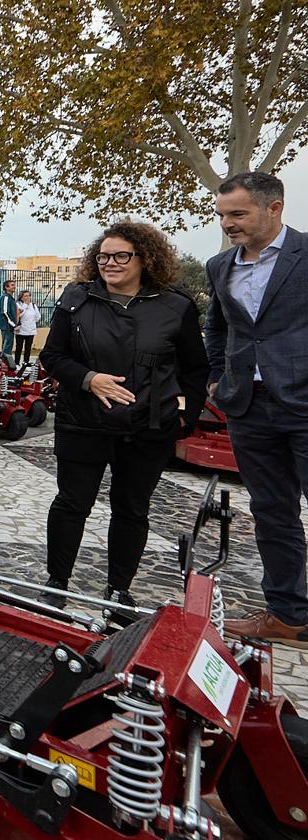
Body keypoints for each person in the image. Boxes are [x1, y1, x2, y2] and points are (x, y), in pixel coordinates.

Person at [38, 221, 208, 610]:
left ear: (145, 259)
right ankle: (56, 581)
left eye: (120, 256)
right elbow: (53, 356)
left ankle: (119, 589)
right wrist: (88, 378)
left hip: (147, 429)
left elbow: (195, 369)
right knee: (71, 504)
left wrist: (184, 416)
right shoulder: (75, 299)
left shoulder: (175, 305)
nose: (109, 263)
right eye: (102, 256)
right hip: (83, 422)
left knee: (132, 509)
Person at [203, 173, 308, 646]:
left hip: (304, 404)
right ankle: (288, 614)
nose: (227, 223)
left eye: (238, 214)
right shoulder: (218, 266)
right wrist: (215, 378)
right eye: (222, 214)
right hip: (249, 407)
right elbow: (218, 329)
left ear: (274, 208)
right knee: (271, 512)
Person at [14, 289, 41, 366]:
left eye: (29, 295)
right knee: (19, 347)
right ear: (21, 297)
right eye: (25, 296)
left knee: (28, 348)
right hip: (21, 330)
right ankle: (16, 363)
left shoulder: (33, 305)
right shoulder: (18, 304)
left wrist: (32, 321)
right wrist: (25, 305)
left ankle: (26, 362)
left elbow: (37, 316)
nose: (28, 297)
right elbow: (19, 315)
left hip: (31, 330)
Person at [0, 280, 18, 358]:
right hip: (6, 326)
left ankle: (6, 364)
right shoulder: (5, 297)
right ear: (6, 287)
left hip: (9, 327)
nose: (14, 286)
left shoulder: (11, 298)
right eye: (12, 285)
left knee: (9, 346)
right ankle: (4, 364)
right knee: (6, 347)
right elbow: (5, 312)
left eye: (14, 285)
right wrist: (14, 325)